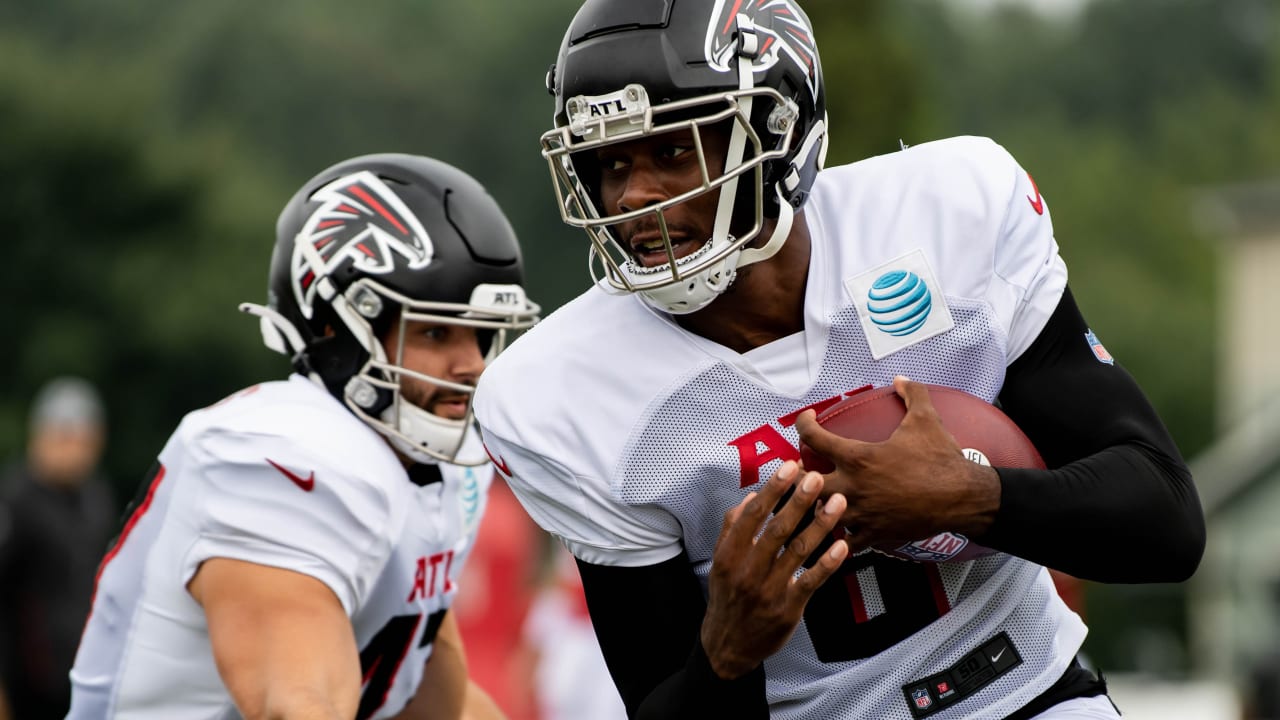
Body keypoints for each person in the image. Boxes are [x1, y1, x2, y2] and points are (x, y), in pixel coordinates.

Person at [472, 2, 1206, 719]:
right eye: (609, 163)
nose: (635, 195)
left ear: (777, 132)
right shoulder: (561, 393)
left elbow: (1165, 521)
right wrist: (727, 651)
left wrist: (970, 497)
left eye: (673, 152)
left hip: (1027, 693)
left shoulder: (948, 214)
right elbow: (664, 696)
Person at [67, 153, 539, 719]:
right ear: (336, 327)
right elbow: (297, 706)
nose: (473, 365)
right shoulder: (282, 455)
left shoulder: (438, 466)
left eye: (483, 334)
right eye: (436, 332)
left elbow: (432, 692)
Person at [0, 377, 117, 719]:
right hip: (25, 687)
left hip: (81, 681)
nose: (75, 451)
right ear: (40, 436)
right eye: (65, 438)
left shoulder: (96, 499)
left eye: (85, 440)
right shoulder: (14, 500)